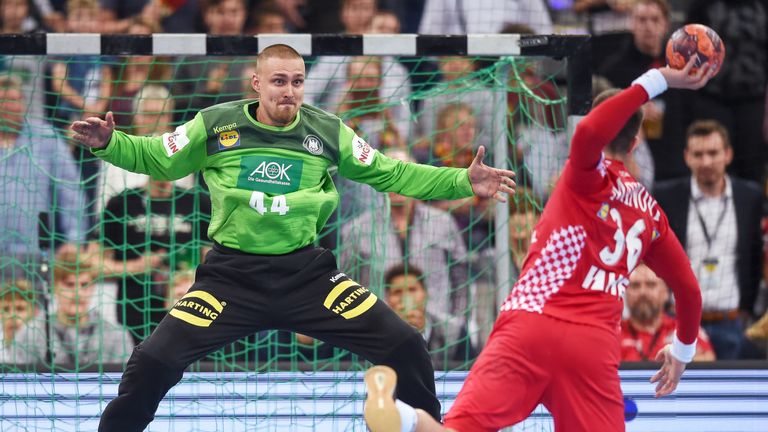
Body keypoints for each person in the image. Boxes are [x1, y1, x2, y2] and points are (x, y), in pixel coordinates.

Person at [70, 43, 515, 431]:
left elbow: (392, 172)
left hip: (307, 277)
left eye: (298, 82)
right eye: (279, 81)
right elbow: (157, 158)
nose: (289, 91)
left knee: (404, 343)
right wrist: (111, 143)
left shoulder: (328, 130)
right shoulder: (214, 125)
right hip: (229, 280)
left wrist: (462, 180)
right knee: (152, 360)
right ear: (256, 83)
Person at [363, 59, 712, 432]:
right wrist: (683, 351)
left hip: (530, 324)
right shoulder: (651, 214)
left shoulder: (586, 175)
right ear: (637, 141)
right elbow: (689, 290)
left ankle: (406, 417)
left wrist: (658, 79)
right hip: (592, 346)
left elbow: (590, 132)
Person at [654, 120, 764, 360]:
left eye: (713, 153)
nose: (705, 162)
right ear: (686, 156)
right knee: (678, 394)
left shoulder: (750, 196)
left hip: (732, 322)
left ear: (728, 154)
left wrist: (746, 311)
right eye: (698, 154)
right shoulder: (666, 196)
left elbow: (755, 257)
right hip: (679, 321)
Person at [0, 72, 86, 257]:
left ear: (23, 102)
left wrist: (74, 240)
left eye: (14, 100)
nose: (8, 106)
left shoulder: (46, 138)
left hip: (35, 253)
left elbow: (70, 191)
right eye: (2, 100)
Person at [13, 247, 133, 366]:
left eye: (84, 284)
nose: (78, 293)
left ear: (93, 288)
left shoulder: (116, 336)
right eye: (70, 284)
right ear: (54, 286)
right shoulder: (30, 334)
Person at [383, 263, 476, 370]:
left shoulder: (455, 334)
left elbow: (468, 373)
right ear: (388, 298)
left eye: (412, 289)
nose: (406, 298)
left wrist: (420, 334)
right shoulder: (374, 335)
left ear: (425, 294)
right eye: (397, 292)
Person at [621, 263, 716, 362]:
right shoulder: (614, 331)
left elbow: (709, 358)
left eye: (651, 285)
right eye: (635, 286)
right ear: (625, 292)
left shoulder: (682, 329)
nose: (643, 292)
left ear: (666, 293)